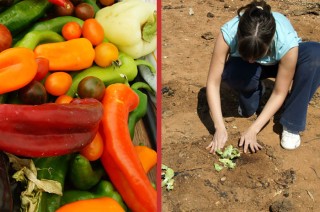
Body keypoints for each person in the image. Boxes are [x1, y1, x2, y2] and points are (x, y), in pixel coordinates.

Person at [205, 0, 320, 154]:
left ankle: (292, 122)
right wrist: (219, 127)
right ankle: (254, 91)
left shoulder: (285, 41)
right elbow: (213, 82)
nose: (252, 59)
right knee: (244, 102)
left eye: (258, 54)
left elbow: (280, 92)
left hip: (281, 63)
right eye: (247, 55)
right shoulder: (228, 33)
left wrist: (253, 129)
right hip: (250, 69)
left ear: (270, 41)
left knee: (315, 55)